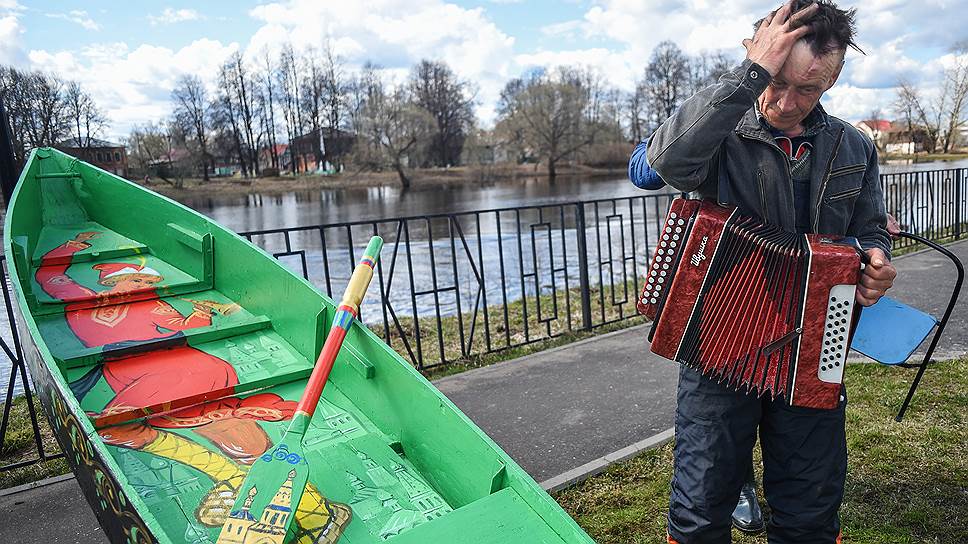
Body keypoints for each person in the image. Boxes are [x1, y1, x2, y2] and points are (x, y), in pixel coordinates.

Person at [630, 0, 897, 541]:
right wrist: (749, 75)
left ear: (833, 79)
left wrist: (875, 260)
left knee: (810, 501)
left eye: (808, 89)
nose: (784, 101)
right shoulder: (717, 131)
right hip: (718, 342)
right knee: (701, 503)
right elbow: (662, 166)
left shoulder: (853, 145)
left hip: (816, 342)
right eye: (776, 80)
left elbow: (870, 226)